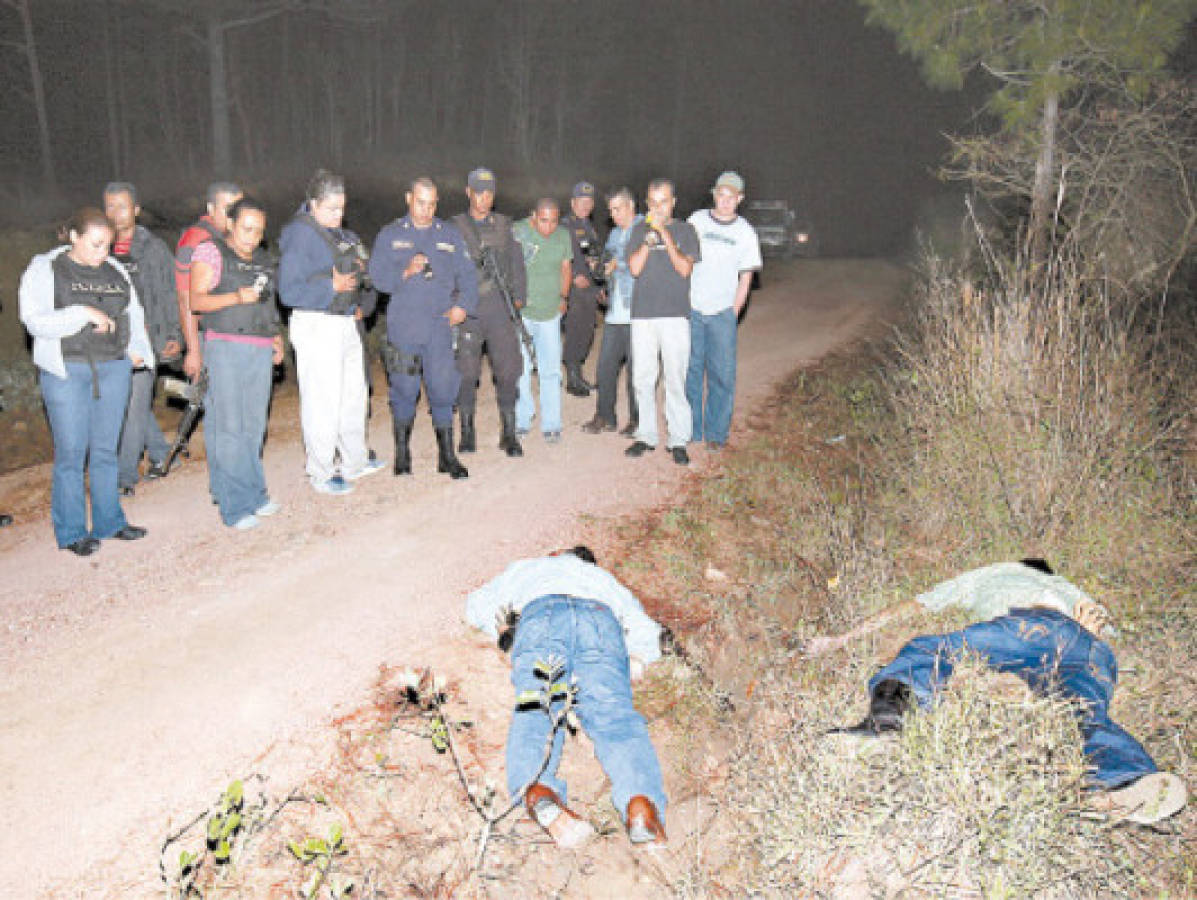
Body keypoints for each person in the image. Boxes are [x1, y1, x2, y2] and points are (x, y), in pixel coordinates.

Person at [825, 560, 1188, 826]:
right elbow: (1112, 632)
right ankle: (1126, 780)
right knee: (1083, 711)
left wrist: (841, 639)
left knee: (931, 650)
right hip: (1091, 649)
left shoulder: (990, 574)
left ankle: (889, 722)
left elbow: (915, 605)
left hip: (1031, 628)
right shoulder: (1067, 586)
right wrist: (1093, 630)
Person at [466, 547, 669, 849]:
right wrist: (637, 659)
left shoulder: (527, 566)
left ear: (556, 554)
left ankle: (538, 789)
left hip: (540, 617)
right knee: (614, 717)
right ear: (588, 563)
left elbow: (475, 605)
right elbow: (647, 632)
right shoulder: (603, 578)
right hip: (600, 620)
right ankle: (639, 801)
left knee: (537, 707)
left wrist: (502, 631)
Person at [18, 207, 153, 555]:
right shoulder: (46, 269)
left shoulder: (116, 270)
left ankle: (110, 521)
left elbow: (133, 315)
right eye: (95, 245)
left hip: (112, 367)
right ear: (74, 237)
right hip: (67, 370)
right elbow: (34, 321)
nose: (102, 253)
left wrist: (136, 350)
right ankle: (72, 531)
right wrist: (81, 313)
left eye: (107, 245)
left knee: (106, 450)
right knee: (71, 454)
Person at [279, 169, 383, 496]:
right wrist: (331, 286)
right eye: (332, 209)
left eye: (342, 209)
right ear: (313, 204)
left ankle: (354, 459)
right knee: (322, 400)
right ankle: (321, 472)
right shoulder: (300, 234)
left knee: (353, 394)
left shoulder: (334, 233)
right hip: (316, 322)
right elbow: (288, 291)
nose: (339, 215)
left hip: (343, 321)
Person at [369, 177, 477, 478]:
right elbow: (376, 277)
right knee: (404, 390)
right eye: (420, 202)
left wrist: (463, 306)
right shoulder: (390, 234)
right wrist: (404, 271)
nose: (426, 210)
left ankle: (447, 456)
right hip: (403, 327)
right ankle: (403, 455)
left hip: (439, 327)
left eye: (431, 204)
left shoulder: (449, 235)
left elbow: (468, 276)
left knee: (443, 389)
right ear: (408, 199)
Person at [187, 197, 284, 530]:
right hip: (225, 345)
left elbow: (268, 304)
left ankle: (256, 494)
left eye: (258, 231)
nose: (252, 236)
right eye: (246, 228)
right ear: (229, 223)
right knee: (230, 428)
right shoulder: (210, 252)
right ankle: (234, 505)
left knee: (254, 426)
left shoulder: (263, 260)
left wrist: (276, 337)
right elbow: (195, 300)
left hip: (258, 346)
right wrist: (234, 297)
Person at [102, 182, 182, 496]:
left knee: (133, 404)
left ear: (136, 209)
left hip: (144, 341)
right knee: (130, 403)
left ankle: (123, 478)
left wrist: (172, 333)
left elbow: (168, 293)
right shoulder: (98, 247)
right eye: (109, 206)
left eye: (122, 206)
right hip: (109, 341)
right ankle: (162, 453)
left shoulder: (153, 248)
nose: (115, 213)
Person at [450, 168, 528, 458]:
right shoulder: (455, 227)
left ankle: (508, 433)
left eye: (489, 193)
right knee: (466, 373)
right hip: (468, 309)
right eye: (478, 191)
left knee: (508, 371)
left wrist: (519, 298)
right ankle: (467, 432)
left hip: (499, 307)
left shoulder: (505, 226)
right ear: (468, 192)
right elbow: (447, 268)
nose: (484, 198)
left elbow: (517, 263)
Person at [625, 178, 701, 466]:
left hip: (674, 315)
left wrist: (665, 236)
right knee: (643, 378)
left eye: (664, 201)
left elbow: (684, 269)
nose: (658, 208)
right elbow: (634, 269)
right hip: (643, 315)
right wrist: (648, 238)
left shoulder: (686, 231)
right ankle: (646, 435)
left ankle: (678, 439)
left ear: (674, 202)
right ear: (647, 204)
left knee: (675, 379)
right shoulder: (638, 231)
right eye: (653, 203)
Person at [686, 172, 761, 451]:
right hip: (693, 309)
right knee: (690, 371)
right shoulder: (696, 221)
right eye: (721, 195)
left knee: (722, 375)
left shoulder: (745, 233)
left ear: (739, 199)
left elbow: (746, 278)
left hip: (722, 314)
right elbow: (682, 261)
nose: (725, 201)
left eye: (732, 197)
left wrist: (733, 312)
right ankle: (691, 429)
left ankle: (716, 434)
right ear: (714, 194)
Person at [512, 199, 573, 444]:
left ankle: (551, 424)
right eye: (543, 220)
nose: (548, 226)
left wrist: (563, 296)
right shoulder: (519, 232)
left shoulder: (562, 236)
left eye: (554, 220)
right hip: (524, 313)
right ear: (533, 216)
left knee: (550, 370)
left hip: (550, 313)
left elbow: (566, 268)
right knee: (522, 369)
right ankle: (522, 419)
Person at [582, 187, 640, 436]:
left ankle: (637, 420)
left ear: (631, 206)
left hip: (639, 312)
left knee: (637, 372)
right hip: (616, 312)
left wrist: (620, 265)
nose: (614, 214)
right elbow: (608, 266)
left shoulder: (644, 231)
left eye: (618, 208)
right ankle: (605, 416)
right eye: (611, 210)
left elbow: (646, 266)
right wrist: (601, 276)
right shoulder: (615, 234)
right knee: (605, 367)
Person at [175, 182, 243, 382]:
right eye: (227, 208)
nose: (234, 214)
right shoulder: (194, 241)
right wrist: (194, 351)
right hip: (210, 337)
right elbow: (184, 298)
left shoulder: (237, 236)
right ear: (210, 209)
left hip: (234, 333)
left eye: (237, 208)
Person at [562, 181, 602, 398]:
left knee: (587, 331)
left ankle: (579, 374)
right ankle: (572, 378)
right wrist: (575, 274)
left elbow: (593, 256)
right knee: (576, 331)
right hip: (575, 288)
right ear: (573, 202)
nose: (585, 205)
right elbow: (563, 254)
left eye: (589, 202)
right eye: (581, 201)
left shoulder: (590, 227)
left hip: (589, 288)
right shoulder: (565, 225)